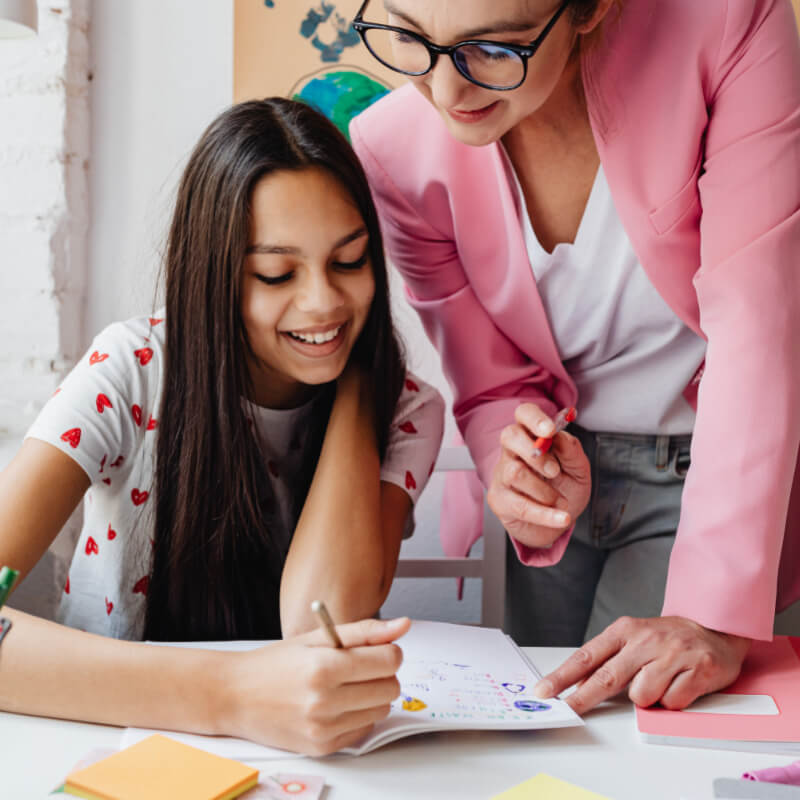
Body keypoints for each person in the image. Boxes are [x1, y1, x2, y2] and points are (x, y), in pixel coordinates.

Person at [349, 0, 800, 714]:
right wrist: (516, 466)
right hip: (560, 488)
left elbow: (760, 318)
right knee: (539, 740)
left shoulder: (733, 24)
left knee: (651, 735)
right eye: (409, 38)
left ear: (589, 8)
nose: (444, 92)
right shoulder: (393, 147)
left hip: (711, 478)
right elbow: (487, 378)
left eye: (492, 49)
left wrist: (710, 613)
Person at [0, 98, 445, 755]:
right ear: (213, 277)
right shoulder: (130, 372)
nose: (323, 300)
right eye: (276, 273)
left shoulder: (405, 408)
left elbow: (319, 618)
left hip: (306, 757)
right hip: (110, 742)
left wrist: (354, 380)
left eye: (349, 262)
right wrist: (232, 694)